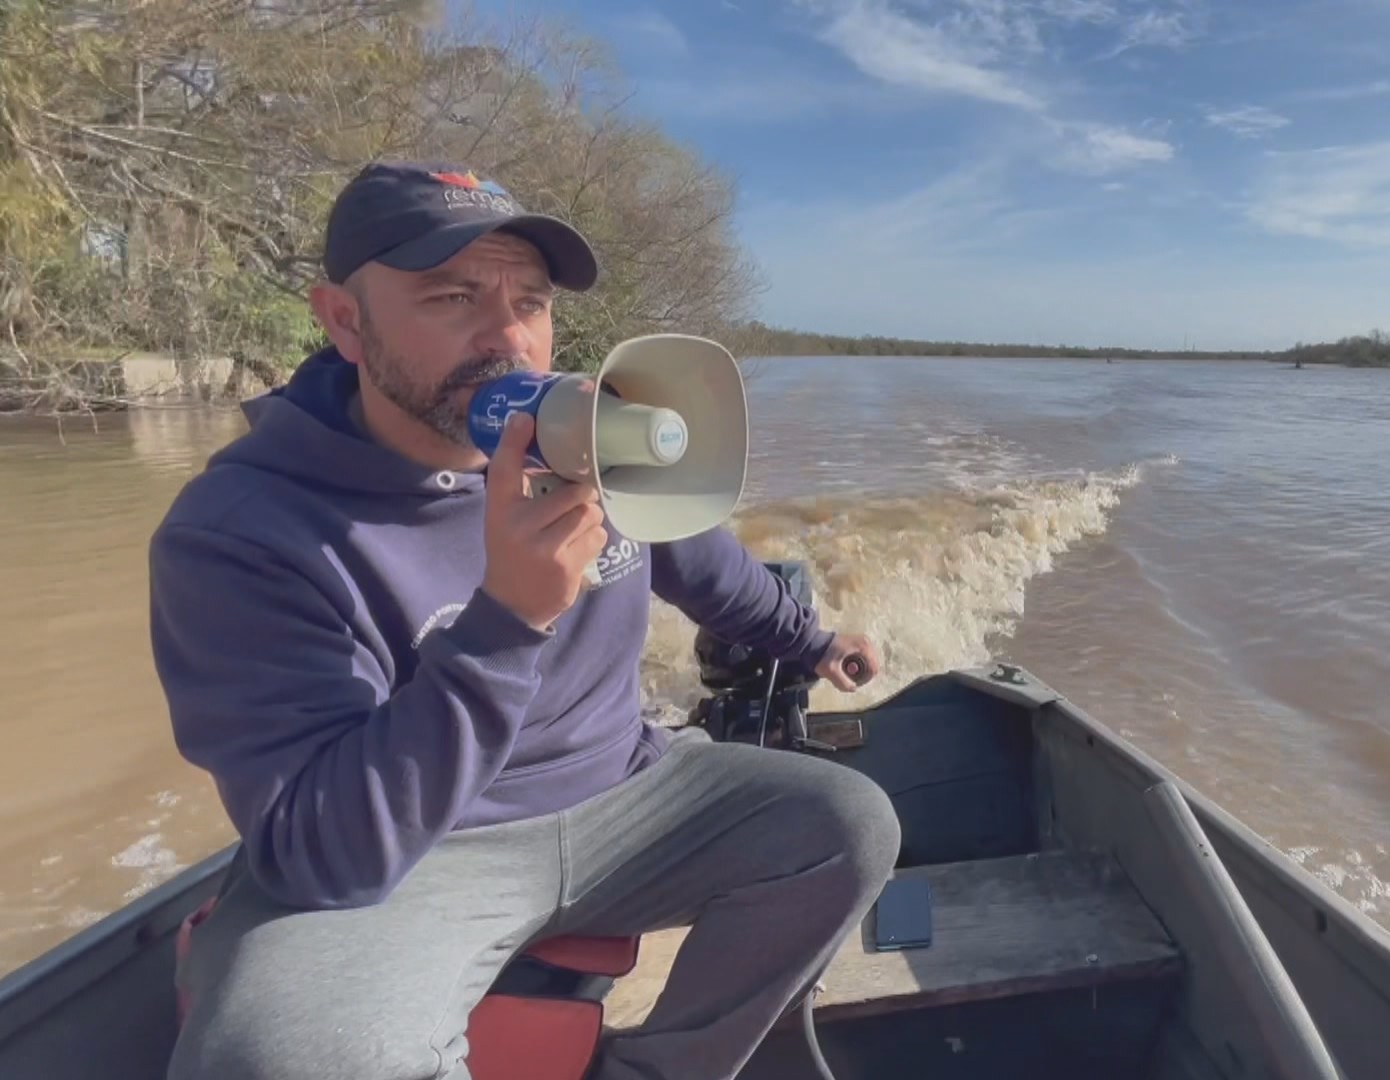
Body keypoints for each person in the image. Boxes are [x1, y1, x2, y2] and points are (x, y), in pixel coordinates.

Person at [150, 160, 901, 1080]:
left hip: (627, 796)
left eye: (532, 303)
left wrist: (816, 642)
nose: (506, 337)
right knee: (281, 1057)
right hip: (427, 852)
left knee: (847, 824)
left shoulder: (586, 442)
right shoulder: (244, 532)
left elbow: (709, 570)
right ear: (345, 320)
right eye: (452, 297)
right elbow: (324, 857)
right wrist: (506, 621)